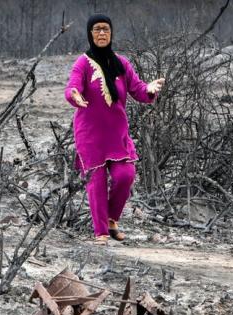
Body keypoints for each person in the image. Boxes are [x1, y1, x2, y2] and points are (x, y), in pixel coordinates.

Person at [64, 14, 164, 245]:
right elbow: (73, 85)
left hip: (116, 133)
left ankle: (111, 220)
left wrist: (149, 88)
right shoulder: (82, 62)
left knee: (125, 176)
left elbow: (138, 90)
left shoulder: (121, 63)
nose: (101, 33)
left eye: (105, 29)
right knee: (96, 182)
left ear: (111, 33)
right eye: (97, 29)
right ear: (90, 33)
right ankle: (100, 233)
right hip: (90, 135)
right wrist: (74, 95)